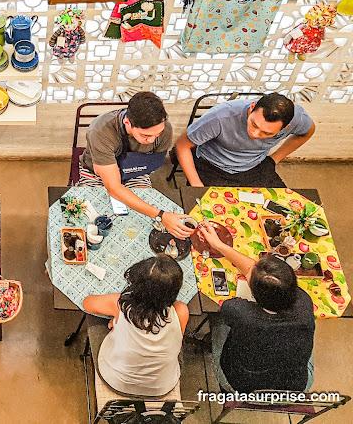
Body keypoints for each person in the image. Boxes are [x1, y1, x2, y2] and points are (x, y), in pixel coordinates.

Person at [198, 222, 315, 393]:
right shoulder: (304, 301)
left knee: (216, 319)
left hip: (242, 385)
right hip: (296, 387)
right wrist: (219, 245)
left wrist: (218, 246)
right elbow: (254, 270)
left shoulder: (240, 312)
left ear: (253, 293)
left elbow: (230, 306)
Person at [80, 92, 194, 239]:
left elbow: (154, 161)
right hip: (97, 173)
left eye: (157, 134)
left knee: (142, 221)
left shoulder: (164, 129)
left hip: (137, 171)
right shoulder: (102, 131)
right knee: (91, 218)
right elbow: (114, 188)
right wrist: (161, 215)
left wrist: (155, 214)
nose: (152, 140)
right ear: (127, 122)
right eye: (145, 136)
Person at [83, 255, 189, 398]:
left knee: (99, 321)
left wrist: (116, 319)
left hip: (116, 381)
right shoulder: (181, 311)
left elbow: (87, 303)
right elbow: (175, 339)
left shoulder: (121, 305)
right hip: (161, 387)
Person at [174, 93, 315, 188]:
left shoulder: (298, 119)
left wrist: (274, 159)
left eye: (267, 133)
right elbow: (182, 145)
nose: (255, 133)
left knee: (282, 215)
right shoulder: (220, 117)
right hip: (212, 165)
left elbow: (308, 132)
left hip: (255, 166)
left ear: (286, 127)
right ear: (252, 107)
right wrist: (197, 187)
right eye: (254, 123)